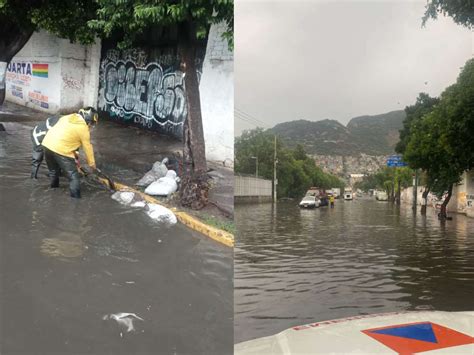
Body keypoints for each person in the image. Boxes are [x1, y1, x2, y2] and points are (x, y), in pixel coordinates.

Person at [41, 107, 98, 198]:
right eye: (91, 123)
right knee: (74, 178)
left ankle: (53, 192)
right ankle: (75, 203)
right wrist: (92, 164)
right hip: (62, 150)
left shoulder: (67, 117)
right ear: (87, 120)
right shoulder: (83, 128)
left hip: (47, 145)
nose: (91, 126)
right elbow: (87, 147)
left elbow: (69, 138)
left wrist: (75, 158)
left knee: (53, 172)